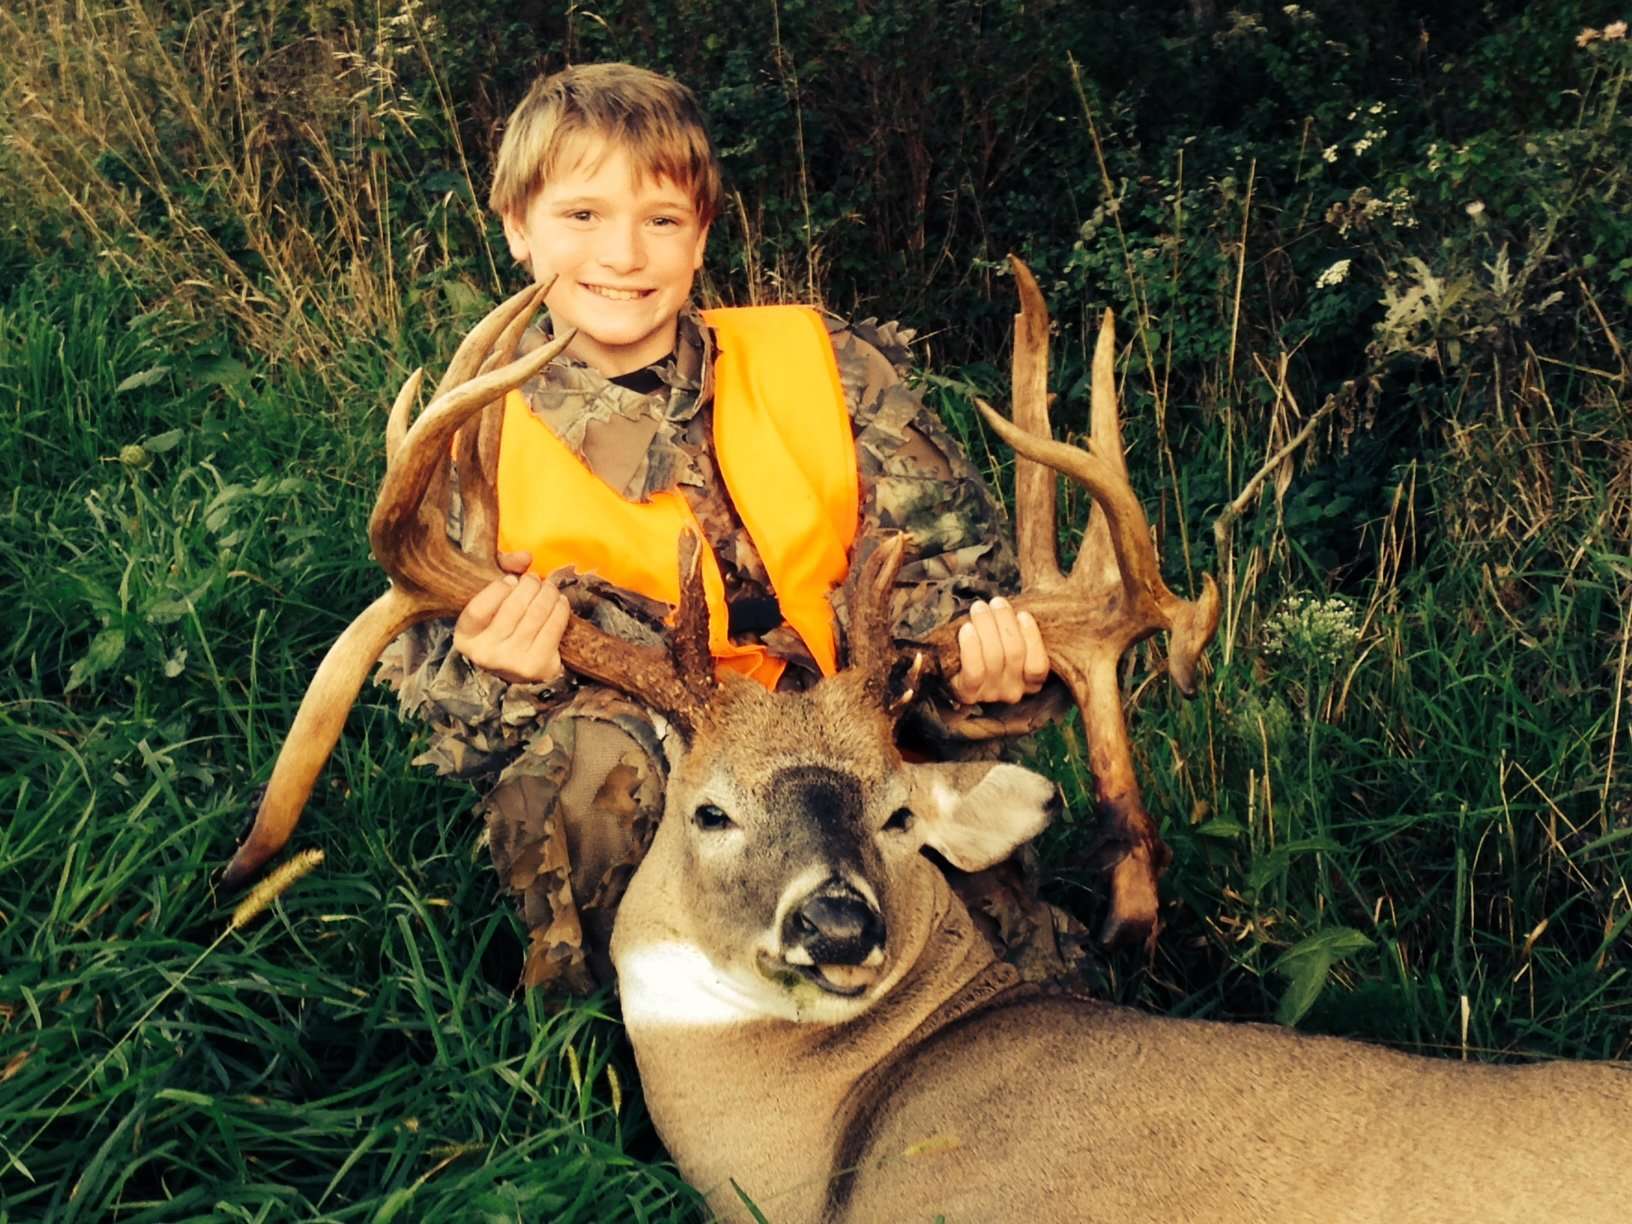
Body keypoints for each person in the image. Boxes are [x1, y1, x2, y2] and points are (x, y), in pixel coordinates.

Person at [377, 62, 1073, 994]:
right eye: (581, 217)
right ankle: (624, 1037)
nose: (623, 254)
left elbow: (955, 568)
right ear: (515, 229)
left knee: (1024, 995)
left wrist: (983, 672)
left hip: (858, 730)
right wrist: (505, 674)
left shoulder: (826, 364)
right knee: (585, 779)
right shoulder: (473, 444)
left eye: (661, 220)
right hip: (675, 764)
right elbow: (440, 711)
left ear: (701, 236)